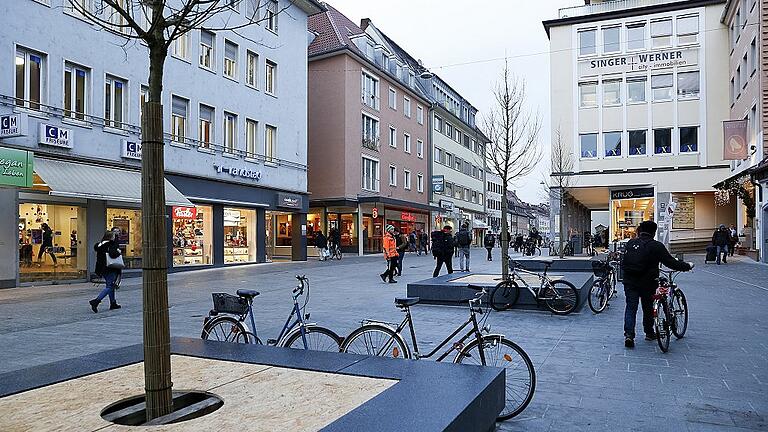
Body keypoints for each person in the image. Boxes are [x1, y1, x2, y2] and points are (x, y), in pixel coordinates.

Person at [621, 220, 692, 348]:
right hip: (648, 283)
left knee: (631, 308)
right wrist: (687, 266)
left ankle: (629, 335)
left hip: (630, 281)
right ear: (653, 232)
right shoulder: (656, 246)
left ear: (640, 231)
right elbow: (671, 262)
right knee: (647, 307)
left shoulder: (631, 243)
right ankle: (649, 333)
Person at [89, 231, 123, 313]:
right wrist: (118, 252)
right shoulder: (111, 244)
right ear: (111, 237)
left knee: (110, 285)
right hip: (111, 267)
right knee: (110, 286)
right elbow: (112, 254)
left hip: (102, 269)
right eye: (114, 236)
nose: (114, 237)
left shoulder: (99, 245)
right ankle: (96, 301)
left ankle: (113, 303)